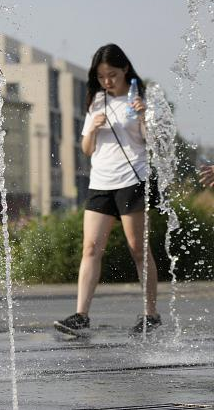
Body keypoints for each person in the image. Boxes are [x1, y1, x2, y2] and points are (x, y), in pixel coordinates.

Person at [54, 44, 160, 337]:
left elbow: (151, 144)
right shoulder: (96, 102)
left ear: (125, 69)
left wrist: (142, 117)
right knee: (91, 248)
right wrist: (94, 129)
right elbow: (86, 149)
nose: (107, 82)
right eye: (101, 77)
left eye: (111, 75)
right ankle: (81, 314)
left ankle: (151, 314)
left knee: (138, 248)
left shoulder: (140, 99)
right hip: (100, 183)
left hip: (132, 179)